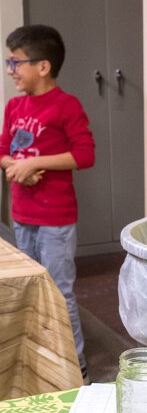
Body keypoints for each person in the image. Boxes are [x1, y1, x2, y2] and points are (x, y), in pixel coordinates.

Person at [0, 24, 95, 382]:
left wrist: (35, 163)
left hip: (55, 221)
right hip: (22, 217)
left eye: (16, 62)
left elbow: (84, 155)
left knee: (59, 292)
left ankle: (76, 367)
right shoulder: (14, 106)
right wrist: (16, 166)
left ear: (43, 66)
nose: (11, 71)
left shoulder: (66, 105)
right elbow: (3, 152)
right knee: (30, 291)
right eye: (9, 62)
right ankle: (40, 360)